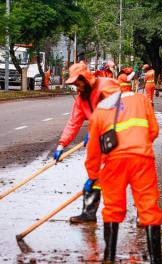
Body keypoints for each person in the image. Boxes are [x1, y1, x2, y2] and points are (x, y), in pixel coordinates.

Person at [85, 89, 162, 263]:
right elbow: (154, 131)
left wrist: (93, 175)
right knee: (148, 206)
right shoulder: (141, 99)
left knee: (112, 208)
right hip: (142, 160)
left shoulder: (99, 111)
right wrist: (138, 145)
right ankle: (156, 260)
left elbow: (93, 151)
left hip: (114, 164)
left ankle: (109, 257)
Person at [53, 62, 121, 223]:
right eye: (74, 83)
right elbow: (73, 122)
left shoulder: (106, 86)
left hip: (119, 134)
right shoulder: (81, 99)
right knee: (94, 173)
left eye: (78, 81)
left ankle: (141, 212)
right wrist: (61, 145)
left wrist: (95, 130)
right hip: (101, 137)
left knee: (120, 174)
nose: (77, 86)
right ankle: (89, 214)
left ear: (85, 78)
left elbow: (117, 111)